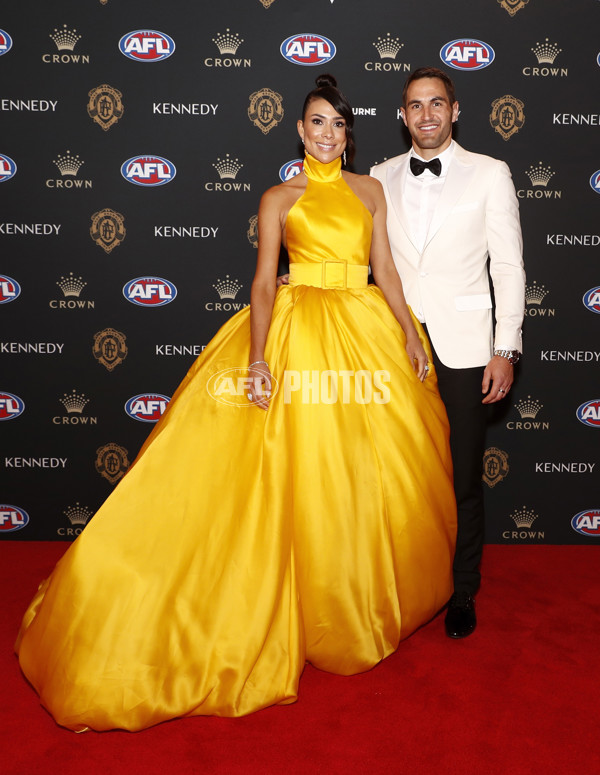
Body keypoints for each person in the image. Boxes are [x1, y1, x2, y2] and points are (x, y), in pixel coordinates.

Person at [15, 74, 456, 733]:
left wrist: (405, 330)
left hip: (364, 335)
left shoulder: (369, 191)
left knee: (358, 473)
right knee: (292, 470)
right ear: (299, 130)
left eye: (338, 124)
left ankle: (345, 599)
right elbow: (261, 283)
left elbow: (384, 268)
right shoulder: (278, 197)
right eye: (316, 122)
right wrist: (257, 358)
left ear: (349, 133)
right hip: (298, 333)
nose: (327, 134)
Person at [371, 67, 525, 638]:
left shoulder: (490, 174)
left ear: (455, 110)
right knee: (396, 474)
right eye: (415, 105)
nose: (427, 115)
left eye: (437, 103)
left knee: (461, 475)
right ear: (402, 115)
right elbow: (366, 263)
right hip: (394, 343)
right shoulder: (377, 178)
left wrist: (505, 346)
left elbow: (508, 266)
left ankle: (462, 590)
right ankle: (401, 585)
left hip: (465, 347)